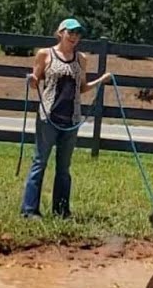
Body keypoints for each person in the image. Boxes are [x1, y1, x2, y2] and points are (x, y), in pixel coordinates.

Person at [19, 17, 112, 219]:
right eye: (70, 32)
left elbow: (82, 88)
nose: (74, 36)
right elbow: (36, 83)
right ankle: (29, 210)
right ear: (60, 33)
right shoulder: (45, 54)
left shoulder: (81, 59)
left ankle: (61, 210)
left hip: (71, 119)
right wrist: (32, 80)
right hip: (49, 117)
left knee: (64, 167)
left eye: (78, 33)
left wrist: (100, 81)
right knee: (39, 162)